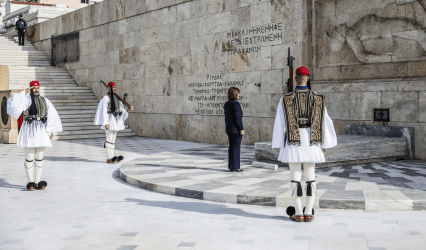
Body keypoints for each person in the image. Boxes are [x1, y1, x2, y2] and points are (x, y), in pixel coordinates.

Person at [272, 67, 337, 222]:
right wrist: (324, 145)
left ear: (296, 79)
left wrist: (279, 144)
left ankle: (299, 212)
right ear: (308, 78)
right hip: (312, 142)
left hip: (293, 142)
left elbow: (280, 124)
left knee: (295, 178)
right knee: (311, 178)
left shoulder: (285, 99)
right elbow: (325, 122)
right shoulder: (318, 98)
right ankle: (309, 212)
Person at [7, 81, 63, 191]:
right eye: (34, 88)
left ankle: (37, 181)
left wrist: (50, 131)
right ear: (30, 88)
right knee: (29, 157)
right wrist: (24, 93)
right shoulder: (25, 100)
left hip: (41, 129)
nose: (36, 89)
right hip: (29, 129)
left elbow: (51, 115)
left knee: (39, 157)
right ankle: (30, 182)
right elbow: (13, 104)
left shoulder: (45, 100)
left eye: (37, 87)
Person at [94, 82, 133, 164]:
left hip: (116, 120)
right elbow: (104, 111)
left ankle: (112, 157)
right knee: (109, 138)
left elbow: (120, 109)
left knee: (113, 139)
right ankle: (109, 158)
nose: (114, 89)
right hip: (109, 120)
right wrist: (105, 123)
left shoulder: (116, 97)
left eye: (115, 87)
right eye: (112, 87)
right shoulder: (106, 98)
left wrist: (128, 109)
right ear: (108, 88)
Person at [224, 87, 245, 172]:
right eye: (238, 93)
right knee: (236, 148)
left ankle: (232, 167)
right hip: (236, 130)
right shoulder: (236, 104)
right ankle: (235, 167)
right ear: (235, 94)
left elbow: (226, 118)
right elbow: (237, 118)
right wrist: (241, 128)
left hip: (229, 129)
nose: (239, 95)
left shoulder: (226, 104)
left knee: (231, 147)